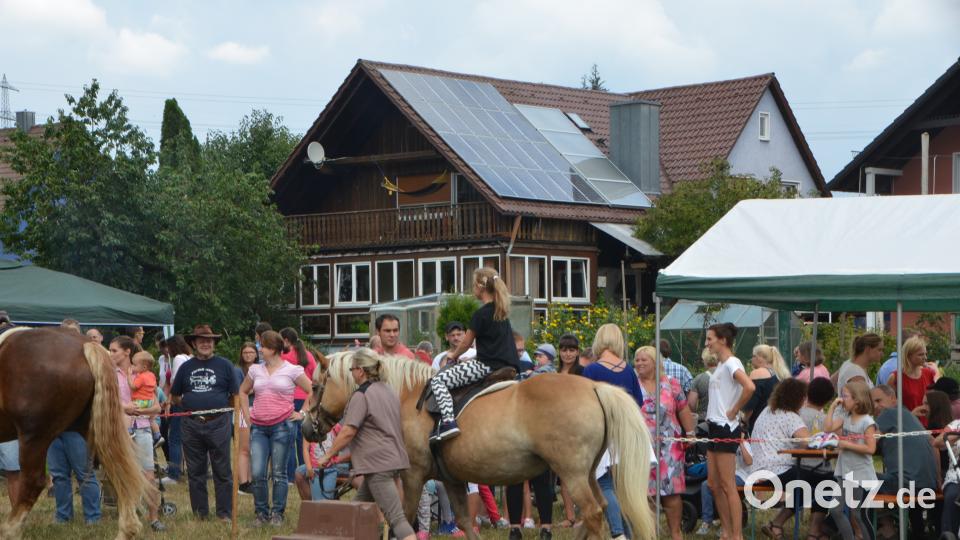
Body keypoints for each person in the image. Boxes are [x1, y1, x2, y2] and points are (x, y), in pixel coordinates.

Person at [317, 348, 416, 540]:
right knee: (356, 510)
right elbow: (377, 433)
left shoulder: (360, 395)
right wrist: (340, 458)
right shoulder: (388, 390)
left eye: (352, 369)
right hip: (392, 461)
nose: (351, 373)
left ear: (361, 371)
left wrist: (328, 455)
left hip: (378, 466)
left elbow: (348, 431)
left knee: (397, 520)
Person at [430, 267, 520, 442]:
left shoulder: (481, 314)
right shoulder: (501, 311)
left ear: (480, 287)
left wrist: (453, 356)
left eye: (473, 285)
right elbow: (494, 347)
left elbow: (466, 343)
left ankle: (448, 422)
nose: (473, 289)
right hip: (509, 365)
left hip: (487, 366)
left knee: (438, 380)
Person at [240, 330, 313, 526]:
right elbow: (243, 391)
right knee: (257, 473)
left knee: (279, 473)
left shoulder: (293, 370)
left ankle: (277, 514)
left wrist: (302, 413)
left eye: (262, 346)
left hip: (283, 426)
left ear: (272, 349)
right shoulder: (255, 370)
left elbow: (312, 390)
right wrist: (247, 416)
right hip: (259, 428)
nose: (259, 349)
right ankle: (261, 514)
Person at [171, 324, 240, 521]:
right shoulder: (185, 367)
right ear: (193, 343)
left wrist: (219, 411)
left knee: (222, 471)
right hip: (191, 424)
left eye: (209, 340)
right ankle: (200, 514)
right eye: (201, 340)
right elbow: (175, 396)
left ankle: (224, 514)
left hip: (219, 423)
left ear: (214, 344)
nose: (205, 344)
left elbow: (235, 395)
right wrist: (189, 409)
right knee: (195, 472)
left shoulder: (225, 365)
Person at [583, 323, 641, 540]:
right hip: (625, 434)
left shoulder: (592, 370)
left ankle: (617, 533)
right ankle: (626, 532)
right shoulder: (628, 370)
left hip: (603, 434)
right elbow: (638, 403)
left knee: (604, 484)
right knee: (620, 489)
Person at [634, 345, 694, 540]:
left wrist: (691, 432)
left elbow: (683, 409)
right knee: (646, 493)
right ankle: (648, 534)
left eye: (644, 360)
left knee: (671, 493)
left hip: (670, 447)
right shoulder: (632, 383)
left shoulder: (672, 384)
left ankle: (676, 533)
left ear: (655, 363)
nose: (639, 363)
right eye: (637, 360)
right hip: (641, 445)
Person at [108, 337, 164, 532]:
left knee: (149, 475)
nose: (110, 354)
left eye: (114, 350)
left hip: (142, 428)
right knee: (124, 477)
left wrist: (139, 411)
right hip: (120, 430)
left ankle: (154, 518)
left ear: (127, 352)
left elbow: (156, 406)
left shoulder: (144, 374)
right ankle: (128, 518)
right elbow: (107, 402)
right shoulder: (109, 374)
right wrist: (125, 407)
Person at [705, 322, 754, 540]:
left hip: (726, 427)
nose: (707, 343)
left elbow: (749, 386)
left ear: (722, 340)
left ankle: (736, 535)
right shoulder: (720, 366)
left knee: (727, 484)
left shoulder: (732, 362)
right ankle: (726, 531)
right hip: (714, 426)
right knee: (714, 484)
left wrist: (734, 409)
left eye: (710, 339)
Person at [871, 384, 939, 538]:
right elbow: (933, 444)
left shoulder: (888, 414)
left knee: (854, 478)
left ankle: (883, 528)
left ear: (893, 398)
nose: (875, 406)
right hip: (929, 485)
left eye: (878, 400)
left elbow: (868, 444)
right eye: (872, 402)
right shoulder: (909, 416)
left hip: (906, 484)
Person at [506, 343, 558, 540]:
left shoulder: (544, 374)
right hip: (536, 429)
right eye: (536, 356)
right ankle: (543, 527)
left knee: (522, 479)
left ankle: (519, 527)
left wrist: (521, 377)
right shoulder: (537, 372)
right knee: (537, 480)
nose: (537, 359)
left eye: (541, 356)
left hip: (530, 428)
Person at [749, 378, 811, 540]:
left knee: (806, 481)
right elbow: (808, 442)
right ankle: (818, 530)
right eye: (804, 397)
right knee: (818, 480)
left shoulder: (766, 411)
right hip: (778, 471)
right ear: (797, 398)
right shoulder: (790, 417)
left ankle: (776, 524)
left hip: (757, 471)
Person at [825, 380, 877, 540]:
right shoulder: (845, 417)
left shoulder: (867, 422)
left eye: (845, 396)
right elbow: (827, 428)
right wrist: (833, 407)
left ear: (857, 400)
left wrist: (845, 444)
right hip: (844, 471)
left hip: (859, 474)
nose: (841, 399)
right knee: (835, 509)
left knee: (857, 513)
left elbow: (870, 449)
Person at [796, 377, 836, 540]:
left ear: (807, 393)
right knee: (829, 484)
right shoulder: (825, 419)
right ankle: (814, 530)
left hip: (798, 466)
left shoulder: (796, 414)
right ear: (828, 400)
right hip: (819, 468)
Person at [279, 327, 318, 492]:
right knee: (303, 440)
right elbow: (315, 377)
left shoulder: (283, 356)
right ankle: (305, 471)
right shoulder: (308, 355)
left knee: (288, 439)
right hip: (306, 400)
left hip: (289, 399)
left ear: (286, 341)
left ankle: (289, 476)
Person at [47, 430, 101, 525]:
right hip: (52, 429)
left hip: (76, 428)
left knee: (85, 475)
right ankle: (63, 517)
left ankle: (93, 518)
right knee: (59, 477)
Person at [161, 334, 193, 485]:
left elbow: (175, 382)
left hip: (179, 401)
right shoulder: (190, 357)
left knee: (174, 438)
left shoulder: (179, 359)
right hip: (190, 401)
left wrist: (168, 402)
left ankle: (174, 473)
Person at [887, 335, 939, 426]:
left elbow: (939, 399)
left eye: (925, 354)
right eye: (920, 354)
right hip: (907, 426)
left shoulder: (929, 374)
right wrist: (910, 415)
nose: (925, 358)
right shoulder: (895, 378)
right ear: (909, 356)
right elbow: (888, 407)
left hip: (929, 426)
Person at [742, 344, 788, 432]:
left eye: (753, 356)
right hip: (779, 422)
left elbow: (751, 405)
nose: (751, 359)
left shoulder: (757, 373)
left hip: (760, 423)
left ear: (759, 358)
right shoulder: (780, 374)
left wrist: (744, 420)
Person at [236, 342, 257, 492]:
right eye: (245, 352)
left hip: (260, 409)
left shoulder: (261, 368)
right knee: (244, 448)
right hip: (244, 409)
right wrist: (255, 387)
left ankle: (251, 480)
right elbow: (238, 392)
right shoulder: (237, 371)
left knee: (254, 448)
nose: (248, 355)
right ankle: (243, 482)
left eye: (251, 352)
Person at [687, 348, 717, 423]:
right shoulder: (727, 376)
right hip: (725, 419)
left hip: (704, 419)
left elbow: (691, 404)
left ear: (705, 360)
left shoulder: (699, 379)